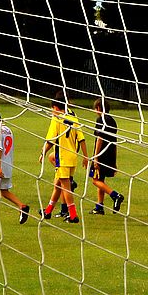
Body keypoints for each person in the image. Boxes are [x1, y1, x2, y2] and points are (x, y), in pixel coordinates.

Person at [39, 94, 88, 224]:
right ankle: (48, 211)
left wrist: (43, 153)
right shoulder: (73, 116)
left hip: (62, 158)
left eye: (52, 108)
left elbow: (50, 140)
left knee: (65, 187)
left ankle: (73, 215)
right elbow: (81, 138)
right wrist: (86, 156)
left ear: (55, 107)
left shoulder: (56, 119)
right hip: (73, 157)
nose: (51, 111)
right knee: (58, 185)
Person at [89, 98, 125, 215]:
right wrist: (114, 161)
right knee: (101, 179)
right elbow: (114, 142)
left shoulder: (101, 120)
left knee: (95, 180)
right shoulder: (113, 121)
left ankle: (115, 195)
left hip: (101, 154)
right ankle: (99, 207)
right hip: (110, 154)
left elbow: (100, 138)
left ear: (98, 108)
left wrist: (95, 157)